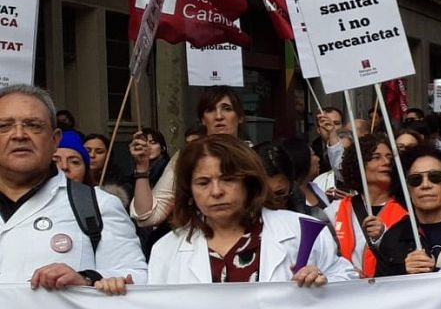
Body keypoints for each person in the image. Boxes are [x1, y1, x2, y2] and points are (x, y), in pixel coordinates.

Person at [146, 135, 354, 285]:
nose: (216, 191)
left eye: (228, 179)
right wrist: (118, 292)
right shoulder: (166, 251)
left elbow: (350, 283)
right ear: (189, 190)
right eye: (203, 182)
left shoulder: (301, 231)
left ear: (249, 182)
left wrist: (325, 284)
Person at [0, 84, 146, 289]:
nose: (19, 135)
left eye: (33, 125)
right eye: (4, 126)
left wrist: (87, 279)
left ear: (55, 139)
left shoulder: (97, 206)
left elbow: (137, 280)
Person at [131, 85, 246, 226]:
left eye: (227, 109)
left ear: (240, 117)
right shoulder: (187, 157)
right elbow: (148, 217)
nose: (219, 116)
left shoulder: (256, 156)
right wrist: (142, 168)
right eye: (210, 110)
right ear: (203, 119)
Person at [374, 145, 441, 276]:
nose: (426, 185)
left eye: (435, 177)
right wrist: (402, 272)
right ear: (407, 189)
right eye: (416, 179)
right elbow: (382, 291)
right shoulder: (393, 238)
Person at [328, 136, 407, 277]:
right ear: (358, 165)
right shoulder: (338, 208)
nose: (386, 162)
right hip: (346, 292)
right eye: (376, 157)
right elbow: (324, 254)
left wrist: (384, 237)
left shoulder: (406, 210)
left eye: (390, 157)